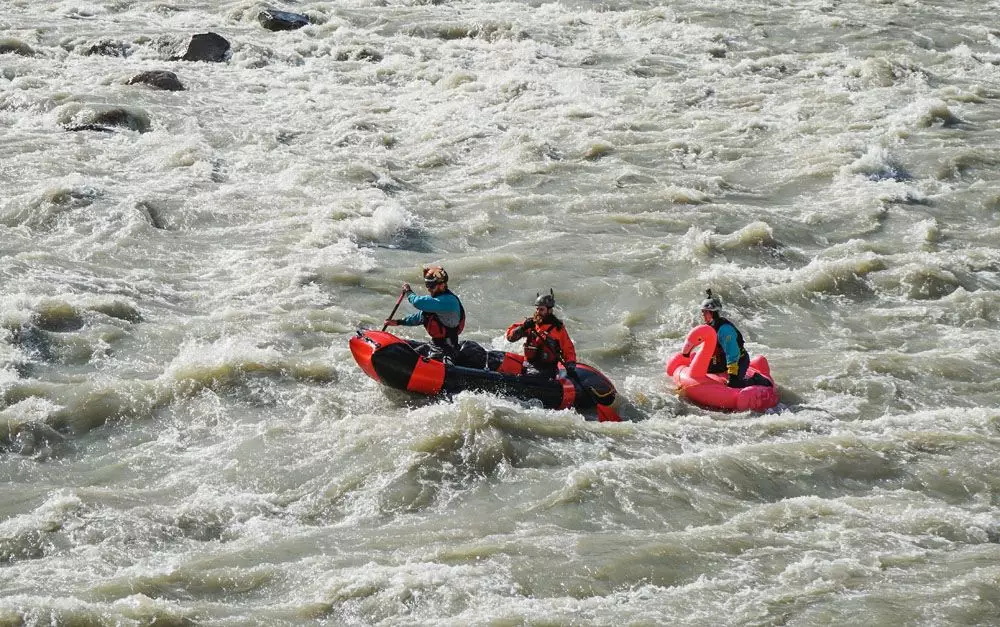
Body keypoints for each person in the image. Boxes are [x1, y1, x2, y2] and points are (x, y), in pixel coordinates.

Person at [384, 266, 465, 360]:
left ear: (442, 285)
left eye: (432, 286)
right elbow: (421, 317)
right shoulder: (436, 302)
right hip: (435, 344)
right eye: (427, 286)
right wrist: (399, 322)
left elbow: (417, 302)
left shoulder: (448, 301)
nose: (429, 289)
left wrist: (409, 292)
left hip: (448, 349)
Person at [695, 289, 769, 388]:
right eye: (702, 311)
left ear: (712, 313)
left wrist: (732, 373)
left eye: (705, 312)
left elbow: (732, 353)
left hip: (738, 359)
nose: (702, 314)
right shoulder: (709, 326)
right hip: (721, 359)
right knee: (706, 370)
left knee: (734, 384)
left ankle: (756, 379)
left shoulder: (725, 331)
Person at [505, 290, 578, 380]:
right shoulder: (531, 324)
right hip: (528, 364)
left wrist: (570, 365)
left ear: (549, 310)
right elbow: (510, 338)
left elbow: (568, 349)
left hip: (546, 369)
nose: (538, 312)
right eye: (537, 309)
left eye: (541, 309)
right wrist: (522, 328)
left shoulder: (558, 329)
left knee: (532, 377)